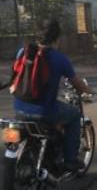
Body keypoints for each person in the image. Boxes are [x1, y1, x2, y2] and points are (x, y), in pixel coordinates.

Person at [13, 19, 90, 172]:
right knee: (74, 115)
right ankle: (70, 160)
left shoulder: (23, 52)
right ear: (57, 38)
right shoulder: (60, 59)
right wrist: (89, 90)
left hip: (19, 108)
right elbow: (76, 83)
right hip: (45, 112)